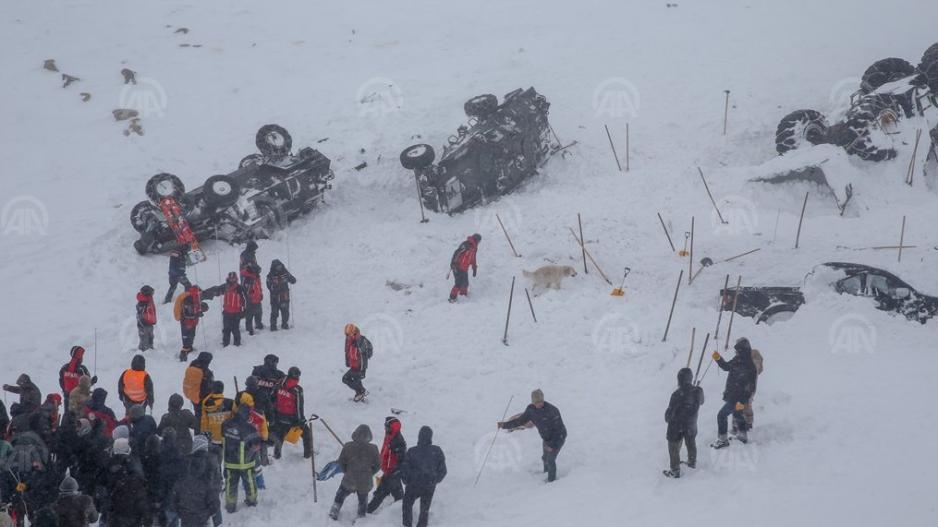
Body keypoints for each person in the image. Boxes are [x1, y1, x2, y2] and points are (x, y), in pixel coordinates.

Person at [497, 389, 567, 482]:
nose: (540, 403)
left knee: (550, 460)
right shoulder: (531, 410)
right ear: (533, 402)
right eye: (537, 402)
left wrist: (553, 445)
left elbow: (559, 430)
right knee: (545, 458)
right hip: (546, 438)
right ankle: (546, 473)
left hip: (558, 437)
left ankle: (551, 482)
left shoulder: (552, 410)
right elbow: (520, 421)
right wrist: (504, 425)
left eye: (541, 401)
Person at [711, 337, 758, 449]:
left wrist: (741, 400)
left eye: (737, 350)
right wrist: (718, 358)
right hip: (738, 396)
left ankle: (722, 440)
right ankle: (742, 435)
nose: (736, 352)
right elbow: (726, 367)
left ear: (741, 351)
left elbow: (751, 387)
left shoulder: (745, 364)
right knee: (738, 414)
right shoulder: (743, 361)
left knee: (721, 415)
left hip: (736, 397)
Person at [329, 425, 380, 521]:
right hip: (365, 482)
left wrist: (347, 471)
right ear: (369, 436)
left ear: (355, 434)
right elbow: (377, 465)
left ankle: (335, 509)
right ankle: (361, 516)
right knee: (363, 500)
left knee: (340, 494)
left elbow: (341, 462)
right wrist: (369, 473)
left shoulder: (348, 446)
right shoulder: (373, 448)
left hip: (349, 479)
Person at [400, 426, 446, 527]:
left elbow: (404, 469)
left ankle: (407, 525)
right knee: (424, 510)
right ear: (430, 437)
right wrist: (434, 480)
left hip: (413, 485)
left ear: (419, 436)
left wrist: (406, 480)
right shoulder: (437, 451)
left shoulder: (412, 451)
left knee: (407, 505)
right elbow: (443, 470)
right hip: (429, 486)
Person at [663, 368, 704, 478]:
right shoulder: (698, 391)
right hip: (691, 424)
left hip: (678, 426)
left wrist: (667, 416)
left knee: (673, 446)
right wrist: (696, 389)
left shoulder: (676, 394)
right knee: (691, 442)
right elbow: (702, 401)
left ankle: (675, 470)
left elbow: (669, 415)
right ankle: (692, 462)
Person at [168, 441, 220, 527]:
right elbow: (214, 503)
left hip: (186, 518)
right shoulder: (206, 475)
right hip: (202, 518)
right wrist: (207, 513)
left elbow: (174, 500)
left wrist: (181, 512)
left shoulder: (183, 471)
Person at [221, 405, 262, 513]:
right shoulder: (250, 428)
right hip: (246, 463)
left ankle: (230, 505)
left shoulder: (226, 424)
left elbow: (223, 437)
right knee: (250, 483)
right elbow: (257, 444)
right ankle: (251, 501)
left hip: (230, 462)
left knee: (230, 484)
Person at [367, 417, 406, 513]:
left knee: (380, 493)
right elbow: (385, 453)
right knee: (399, 497)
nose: (385, 429)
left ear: (393, 427)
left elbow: (402, 460)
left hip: (393, 473)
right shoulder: (389, 436)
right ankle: (403, 513)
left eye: (387, 427)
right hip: (389, 471)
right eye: (385, 426)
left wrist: (395, 472)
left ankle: (366, 513)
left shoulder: (398, 440)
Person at [271, 367, 311, 459]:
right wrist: (301, 420)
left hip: (279, 416)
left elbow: (272, 397)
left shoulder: (279, 383)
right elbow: (299, 406)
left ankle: (277, 455)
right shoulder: (297, 390)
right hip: (291, 418)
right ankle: (308, 454)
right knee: (306, 433)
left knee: (280, 435)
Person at [235, 393, 269, 489]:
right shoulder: (259, 414)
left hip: (241, 445)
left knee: (243, 465)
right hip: (255, 445)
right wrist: (262, 440)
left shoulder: (236, 415)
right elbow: (264, 432)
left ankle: (246, 485)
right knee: (256, 465)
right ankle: (260, 484)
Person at [342, 324, 373, 402]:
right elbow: (347, 351)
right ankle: (360, 393)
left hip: (360, 367)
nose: (347, 336)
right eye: (346, 334)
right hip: (353, 366)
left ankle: (361, 392)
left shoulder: (362, 340)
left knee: (351, 380)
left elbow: (370, 349)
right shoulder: (348, 340)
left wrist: (365, 356)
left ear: (354, 333)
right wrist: (348, 362)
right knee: (347, 379)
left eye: (348, 334)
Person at [59, 346, 95, 411]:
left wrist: (65, 392)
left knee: (68, 416)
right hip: (80, 399)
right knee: (80, 417)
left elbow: (61, 381)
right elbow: (86, 384)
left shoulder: (64, 368)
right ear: (80, 357)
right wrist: (93, 381)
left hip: (67, 398)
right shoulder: (82, 369)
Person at [200, 381, 234, 450]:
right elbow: (234, 420)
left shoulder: (206, 403)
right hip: (226, 437)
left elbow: (204, 421)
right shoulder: (230, 402)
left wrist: (204, 434)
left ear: (212, 390)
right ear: (222, 390)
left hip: (213, 438)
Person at [177, 285, 207, 362]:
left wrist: (201, 310)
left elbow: (196, 308)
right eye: (199, 292)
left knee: (191, 336)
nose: (200, 294)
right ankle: (183, 354)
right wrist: (196, 315)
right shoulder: (187, 300)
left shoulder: (196, 298)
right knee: (186, 339)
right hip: (186, 322)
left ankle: (189, 349)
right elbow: (187, 314)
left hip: (193, 322)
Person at [448, 233, 481, 303]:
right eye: (478, 241)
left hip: (464, 268)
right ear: (476, 239)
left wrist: (474, 267)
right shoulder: (466, 244)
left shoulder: (474, 248)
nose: (479, 243)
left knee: (465, 283)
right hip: (457, 266)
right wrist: (453, 263)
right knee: (458, 283)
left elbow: (473, 258)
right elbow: (457, 253)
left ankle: (463, 295)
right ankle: (452, 298)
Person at [251, 354, 285, 420]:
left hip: (257, 401)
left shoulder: (257, 370)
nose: (276, 364)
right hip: (268, 403)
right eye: (275, 362)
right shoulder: (278, 374)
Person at [266, 259, 296, 331]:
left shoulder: (285, 272)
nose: (279, 268)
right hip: (274, 297)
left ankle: (284, 324)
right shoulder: (270, 275)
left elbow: (293, 280)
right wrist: (273, 287)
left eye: (280, 266)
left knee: (285, 312)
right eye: (277, 267)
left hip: (284, 296)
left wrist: (290, 278)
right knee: (274, 313)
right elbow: (268, 285)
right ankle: (273, 326)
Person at [182, 352, 214, 418]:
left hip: (192, 394)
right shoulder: (206, 372)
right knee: (203, 415)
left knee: (197, 412)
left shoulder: (192, 366)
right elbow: (209, 385)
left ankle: (197, 423)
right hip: (201, 397)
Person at [220, 272, 245, 347]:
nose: (232, 280)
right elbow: (217, 290)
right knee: (226, 329)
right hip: (227, 312)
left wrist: (244, 310)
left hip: (236, 313)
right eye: (230, 278)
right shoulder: (225, 287)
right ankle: (225, 343)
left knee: (235, 329)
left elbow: (244, 300)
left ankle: (237, 343)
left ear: (236, 278)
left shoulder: (239, 288)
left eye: (233, 278)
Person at [742, 347, 764, 430]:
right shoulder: (757, 364)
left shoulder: (752, 364)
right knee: (747, 404)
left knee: (745, 405)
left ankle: (747, 424)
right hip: (751, 388)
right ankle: (748, 423)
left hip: (748, 388)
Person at [240, 264, 265, 335]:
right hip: (250, 299)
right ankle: (248, 328)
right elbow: (245, 290)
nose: (259, 273)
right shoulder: (247, 278)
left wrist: (261, 294)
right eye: (258, 272)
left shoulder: (256, 276)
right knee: (249, 315)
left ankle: (258, 324)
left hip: (258, 298)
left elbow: (259, 286)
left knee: (259, 313)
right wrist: (250, 294)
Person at [136, 286, 158, 352]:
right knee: (144, 338)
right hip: (144, 324)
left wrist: (153, 320)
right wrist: (143, 324)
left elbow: (152, 311)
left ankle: (150, 348)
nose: (152, 295)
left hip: (149, 323)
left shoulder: (149, 300)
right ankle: (143, 350)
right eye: (151, 293)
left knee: (151, 336)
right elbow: (140, 315)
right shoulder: (143, 303)